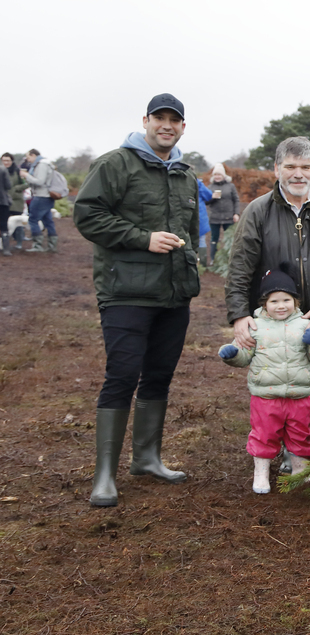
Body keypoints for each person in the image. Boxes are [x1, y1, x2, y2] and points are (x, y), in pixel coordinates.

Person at [73, 93, 200, 507]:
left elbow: (188, 229)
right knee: (123, 375)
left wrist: (191, 264)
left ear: (183, 127)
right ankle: (104, 475)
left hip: (173, 294)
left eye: (174, 120)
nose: (167, 125)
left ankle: (146, 458)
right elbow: (87, 215)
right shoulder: (115, 164)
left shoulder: (185, 174)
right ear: (145, 121)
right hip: (126, 292)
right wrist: (142, 239)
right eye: (159, 118)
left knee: (159, 374)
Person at [225, 136, 310, 422]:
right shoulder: (258, 211)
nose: (299, 174)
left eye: (306, 167)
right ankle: (283, 444)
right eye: (290, 166)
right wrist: (239, 314)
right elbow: (240, 268)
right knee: (279, 393)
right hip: (275, 326)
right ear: (276, 169)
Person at [218, 265, 310, 494]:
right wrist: (233, 355)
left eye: (286, 300)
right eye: (274, 301)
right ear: (264, 304)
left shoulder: (304, 325)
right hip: (266, 396)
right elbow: (244, 355)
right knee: (264, 433)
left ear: (295, 302)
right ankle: (261, 474)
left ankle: (301, 471)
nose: (281, 306)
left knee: (301, 434)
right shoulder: (255, 327)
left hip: (298, 395)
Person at [20, 149, 57, 253]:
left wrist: (26, 175)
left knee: (32, 220)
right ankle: (52, 245)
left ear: (33, 155)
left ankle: (37, 246)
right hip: (47, 196)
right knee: (48, 221)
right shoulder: (47, 164)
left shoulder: (41, 165)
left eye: (28, 158)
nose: (28, 160)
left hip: (41, 196)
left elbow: (40, 181)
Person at [206, 163, 241, 265]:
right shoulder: (210, 187)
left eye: (219, 174)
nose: (217, 177)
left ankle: (229, 259)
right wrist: (212, 197)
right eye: (215, 175)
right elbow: (206, 202)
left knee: (229, 239)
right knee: (214, 239)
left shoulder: (230, 186)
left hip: (228, 217)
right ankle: (213, 259)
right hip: (214, 217)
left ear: (223, 175)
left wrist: (236, 213)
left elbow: (236, 200)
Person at [3, 153, 29, 251]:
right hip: (4, 200)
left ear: (12, 161)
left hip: (16, 201)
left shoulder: (17, 171)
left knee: (18, 222)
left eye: (8, 160)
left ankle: (19, 242)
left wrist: (16, 188)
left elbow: (27, 183)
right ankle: (5, 244)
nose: (6, 162)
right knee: (4, 222)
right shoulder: (1, 170)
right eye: (4, 160)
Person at [197, 178, 213, 265]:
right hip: (199, 216)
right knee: (201, 240)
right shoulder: (197, 183)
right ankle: (202, 264)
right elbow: (208, 195)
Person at [0, 154, 11, 256]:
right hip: (2, 201)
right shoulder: (3, 169)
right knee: (3, 224)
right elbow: (8, 185)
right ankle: (6, 249)